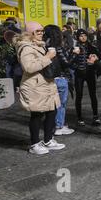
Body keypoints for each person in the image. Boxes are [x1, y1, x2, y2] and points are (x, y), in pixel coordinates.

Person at [13, 22, 65, 155]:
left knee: (51, 112)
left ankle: (48, 139)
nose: (41, 33)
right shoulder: (26, 48)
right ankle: (34, 144)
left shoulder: (39, 45)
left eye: (42, 31)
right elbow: (29, 67)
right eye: (38, 31)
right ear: (30, 34)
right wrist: (48, 57)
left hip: (45, 84)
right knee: (37, 114)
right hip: (35, 86)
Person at [44, 25, 76, 136]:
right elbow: (67, 62)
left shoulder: (44, 46)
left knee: (52, 105)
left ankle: (53, 126)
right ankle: (59, 126)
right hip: (60, 78)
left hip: (48, 79)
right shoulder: (57, 47)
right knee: (61, 104)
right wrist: (74, 54)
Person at [72, 29, 100, 126]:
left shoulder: (92, 47)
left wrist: (95, 62)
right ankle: (79, 117)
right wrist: (76, 67)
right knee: (79, 95)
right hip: (79, 75)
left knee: (93, 95)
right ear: (77, 37)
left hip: (90, 73)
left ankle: (96, 116)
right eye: (81, 36)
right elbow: (70, 62)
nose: (83, 37)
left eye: (85, 35)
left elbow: (98, 59)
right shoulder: (74, 48)